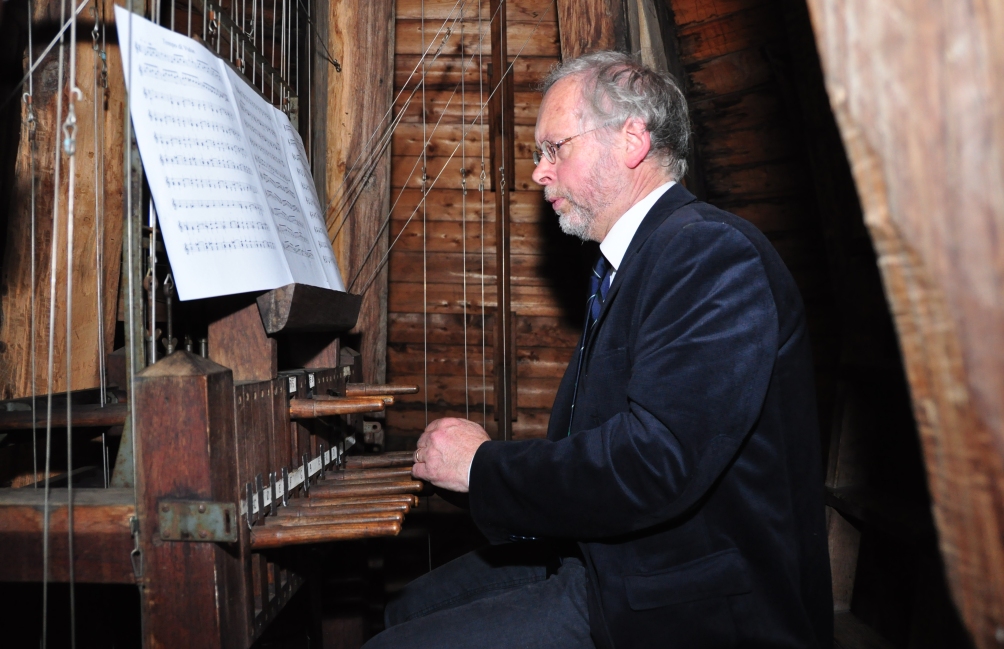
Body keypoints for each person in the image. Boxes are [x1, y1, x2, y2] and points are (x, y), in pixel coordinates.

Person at [363, 51, 832, 648]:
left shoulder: (710, 253)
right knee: (407, 609)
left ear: (632, 139)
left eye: (555, 148)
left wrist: (483, 467)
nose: (538, 173)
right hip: (615, 557)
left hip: (692, 598)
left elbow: (654, 462)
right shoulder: (639, 257)